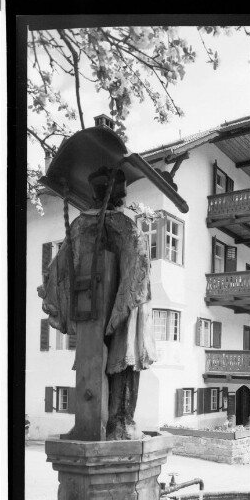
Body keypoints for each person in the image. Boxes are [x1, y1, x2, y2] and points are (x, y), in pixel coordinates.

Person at [38, 167, 156, 440]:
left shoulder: (79, 226)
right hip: (121, 312)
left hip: (92, 309)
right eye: (121, 191)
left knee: (92, 361)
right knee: (125, 363)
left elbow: (59, 270)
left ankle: (91, 424)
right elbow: (138, 268)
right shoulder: (124, 225)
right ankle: (120, 424)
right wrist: (120, 309)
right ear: (110, 192)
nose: (125, 197)